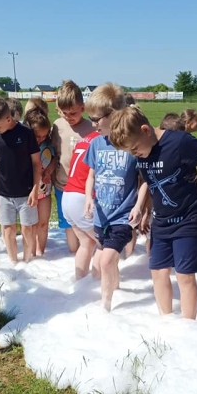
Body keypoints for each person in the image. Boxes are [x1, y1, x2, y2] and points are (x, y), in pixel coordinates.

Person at [109, 106, 197, 319]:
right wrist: (144, 210)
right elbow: (151, 185)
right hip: (161, 221)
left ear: (145, 130)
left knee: (184, 276)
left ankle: (188, 323)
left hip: (189, 218)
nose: (134, 155)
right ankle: (166, 320)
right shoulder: (143, 151)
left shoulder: (181, 142)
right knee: (158, 273)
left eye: (134, 149)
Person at [83, 83, 141, 310]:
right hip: (101, 215)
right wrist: (89, 197)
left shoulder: (131, 144)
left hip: (123, 216)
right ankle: (115, 289)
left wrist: (139, 206)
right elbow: (91, 176)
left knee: (106, 259)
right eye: (91, 119)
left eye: (97, 119)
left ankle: (105, 306)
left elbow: (143, 179)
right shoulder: (96, 144)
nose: (93, 124)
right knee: (110, 260)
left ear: (114, 114)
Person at [0, 96, 41, 263]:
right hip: (4, 192)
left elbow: (37, 163)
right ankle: (13, 262)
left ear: (9, 119)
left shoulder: (26, 133)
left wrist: (35, 189)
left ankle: (28, 262)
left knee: (27, 230)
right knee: (8, 229)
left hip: (26, 192)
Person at [51, 80, 93, 253]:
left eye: (73, 113)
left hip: (85, 187)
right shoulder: (58, 126)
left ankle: (88, 251)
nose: (68, 117)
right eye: (64, 113)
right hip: (62, 184)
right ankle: (73, 253)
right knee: (67, 222)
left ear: (82, 108)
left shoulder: (91, 127)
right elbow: (53, 153)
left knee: (86, 220)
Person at [62, 129, 100, 279]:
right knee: (104, 245)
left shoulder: (85, 138)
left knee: (86, 243)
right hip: (82, 197)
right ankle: (98, 283)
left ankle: (80, 282)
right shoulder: (102, 141)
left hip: (68, 194)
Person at [23, 106, 56, 255]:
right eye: (38, 136)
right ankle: (30, 253)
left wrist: (49, 170)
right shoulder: (23, 147)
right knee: (31, 224)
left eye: (44, 136)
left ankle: (40, 252)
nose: (41, 139)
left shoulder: (47, 145)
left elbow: (54, 159)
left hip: (45, 191)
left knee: (43, 224)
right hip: (29, 192)